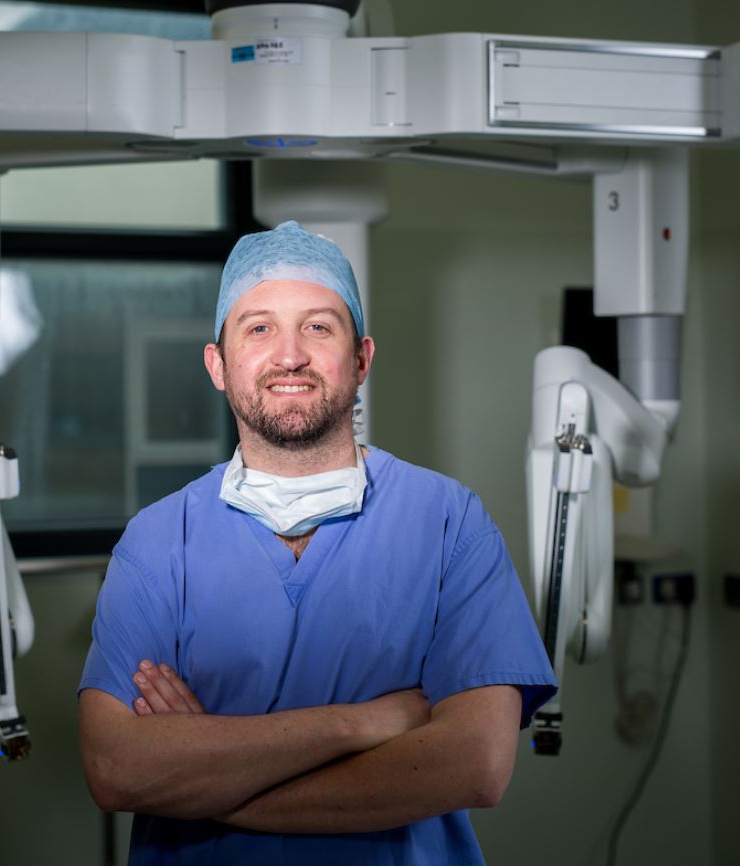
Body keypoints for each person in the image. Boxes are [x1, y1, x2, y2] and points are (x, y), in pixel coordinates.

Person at [77, 220, 556, 865]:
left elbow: (475, 766)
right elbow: (115, 767)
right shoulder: (158, 541)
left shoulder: (448, 523)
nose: (290, 355)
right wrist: (363, 723)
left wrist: (205, 779)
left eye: (318, 327)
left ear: (361, 359)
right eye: (259, 327)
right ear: (218, 365)